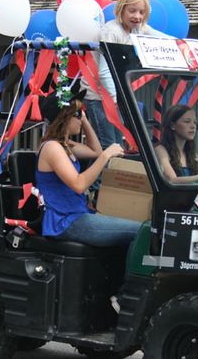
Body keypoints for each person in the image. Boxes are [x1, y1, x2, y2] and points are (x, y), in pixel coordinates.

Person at [36, 90, 142, 248]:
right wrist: (105, 157)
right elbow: (79, 185)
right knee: (141, 231)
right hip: (65, 221)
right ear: (64, 117)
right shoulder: (52, 148)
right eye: (77, 114)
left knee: (142, 228)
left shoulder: (66, 146)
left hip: (77, 214)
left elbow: (95, 151)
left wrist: (83, 119)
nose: (81, 118)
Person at [81, 0, 166, 149]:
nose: (137, 16)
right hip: (98, 96)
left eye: (141, 12)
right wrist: (115, 99)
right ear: (121, 9)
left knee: (117, 145)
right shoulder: (111, 32)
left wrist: (193, 48)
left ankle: (107, 174)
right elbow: (105, 71)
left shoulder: (138, 29)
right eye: (132, 11)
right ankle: (98, 175)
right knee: (108, 145)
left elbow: (162, 38)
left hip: (115, 96)